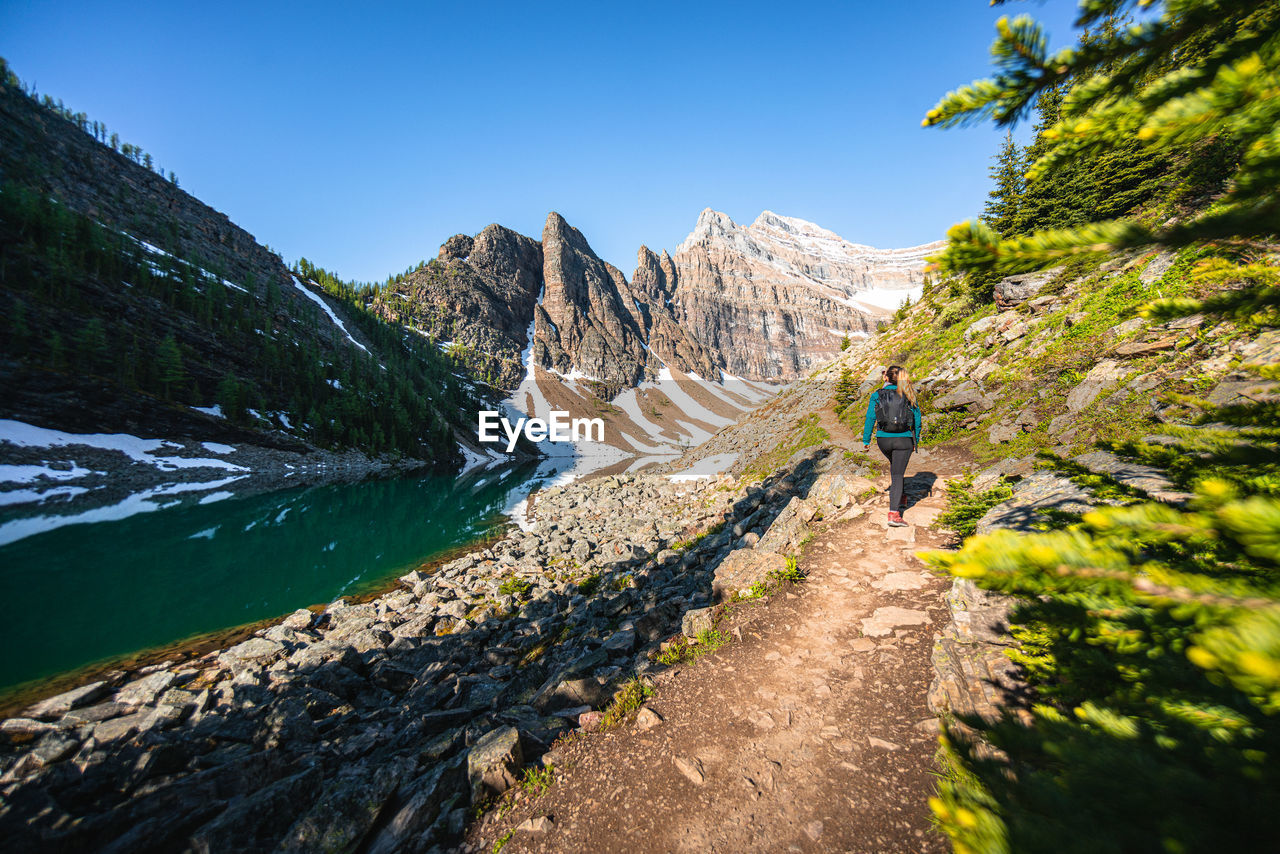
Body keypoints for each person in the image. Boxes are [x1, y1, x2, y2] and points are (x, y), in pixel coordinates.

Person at [862, 365, 922, 527]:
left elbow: (870, 418)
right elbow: (917, 419)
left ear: (886, 378)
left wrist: (866, 440)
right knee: (897, 473)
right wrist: (916, 439)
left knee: (896, 468)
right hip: (904, 440)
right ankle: (894, 514)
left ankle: (900, 496)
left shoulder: (876, 395)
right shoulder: (909, 394)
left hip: (883, 440)